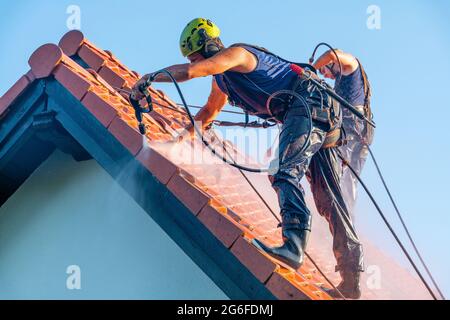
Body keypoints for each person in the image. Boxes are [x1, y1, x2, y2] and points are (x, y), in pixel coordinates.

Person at [132, 18, 363, 299]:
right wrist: (176, 142)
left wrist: (151, 77)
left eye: (193, 54)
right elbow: (208, 112)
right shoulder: (222, 80)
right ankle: (351, 279)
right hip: (314, 111)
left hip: (309, 104)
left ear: (205, 46)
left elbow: (193, 71)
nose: (193, 59)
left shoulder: (237, 55)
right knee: (327, 199)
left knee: (282, 170)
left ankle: (294, 244)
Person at [313, 49, 374, 212]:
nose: (324, 75)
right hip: (360, 132)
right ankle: (346, 221)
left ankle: (338, 219)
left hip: (352, 129)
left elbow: (333, 53)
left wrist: (310, 70)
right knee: (349, 181)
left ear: (330, 64)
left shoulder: (350, 65)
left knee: (335, 170)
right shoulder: (343, 80)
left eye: (323, 70)